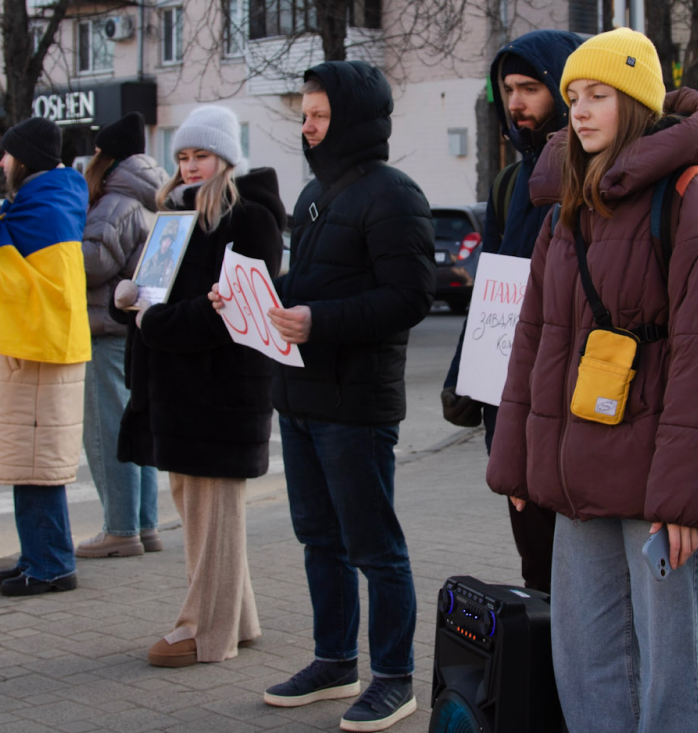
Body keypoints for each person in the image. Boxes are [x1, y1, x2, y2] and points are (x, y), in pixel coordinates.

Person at [486, 28, 698, 733]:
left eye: (599, 95)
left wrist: (683, 500)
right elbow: (535, 344)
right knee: (586, 660)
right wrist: (516, 459)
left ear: (637, 103)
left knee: (672, 677)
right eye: (574, 95)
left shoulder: (695, 205)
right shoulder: (566, 213)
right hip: (582, 473)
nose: (579, 111)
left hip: (659, 485)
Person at [217, 62, 433, 733]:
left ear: (354, 120)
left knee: (375, 547)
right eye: (304, 115)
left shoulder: (394, 194)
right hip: (301, 396)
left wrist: (319, 321)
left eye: (318, 115)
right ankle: (334, 661)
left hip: (357, 405)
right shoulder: (315, 194)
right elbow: (307, 284)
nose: (307, 127)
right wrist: (252, 300)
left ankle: (392, 678)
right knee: (319, 539)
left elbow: (410, 297)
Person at [113, 105, 287, 668]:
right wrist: (129, 302)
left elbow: (233, 312)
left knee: (214, 512)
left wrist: (152, 319)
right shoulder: (174, 214)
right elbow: (156, 296)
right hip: (178, 388)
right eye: (183, 156)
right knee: (198, 508)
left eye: (201, 155)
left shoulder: (248, 216)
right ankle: (239, 618)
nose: (190, 166)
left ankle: (205, 633)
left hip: (220, 389)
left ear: (227, 158)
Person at [441, 28, 581, 593]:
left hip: (572, 403)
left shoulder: (595, 174)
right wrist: (462, 380)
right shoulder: (508, 182)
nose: (516, 103)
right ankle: (548, 681)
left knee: (586, 577)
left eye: (530, 88)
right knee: (538, 567)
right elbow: (488, 293)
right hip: (510, 401)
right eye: (507, 90)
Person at [0, 117, 91, 597]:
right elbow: (28, 282)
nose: (1, 162)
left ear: (25, 159)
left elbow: (50, 294)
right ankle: (36, 555)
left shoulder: (47, 208)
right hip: (31, 350)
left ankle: (51, 565)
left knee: (37, 463)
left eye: (7, 155)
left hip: (41, 354)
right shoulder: (41, 202)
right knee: (27, 462)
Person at [75, 112, 164, 560]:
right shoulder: (148, 196)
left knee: (108, 430)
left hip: (105, 327)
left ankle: (120, 529)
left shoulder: (115, 202)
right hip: (133, 326)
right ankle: (144, 525)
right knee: (133, 425)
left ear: (104, 157)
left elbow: (92, 264)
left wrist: (61, 244)